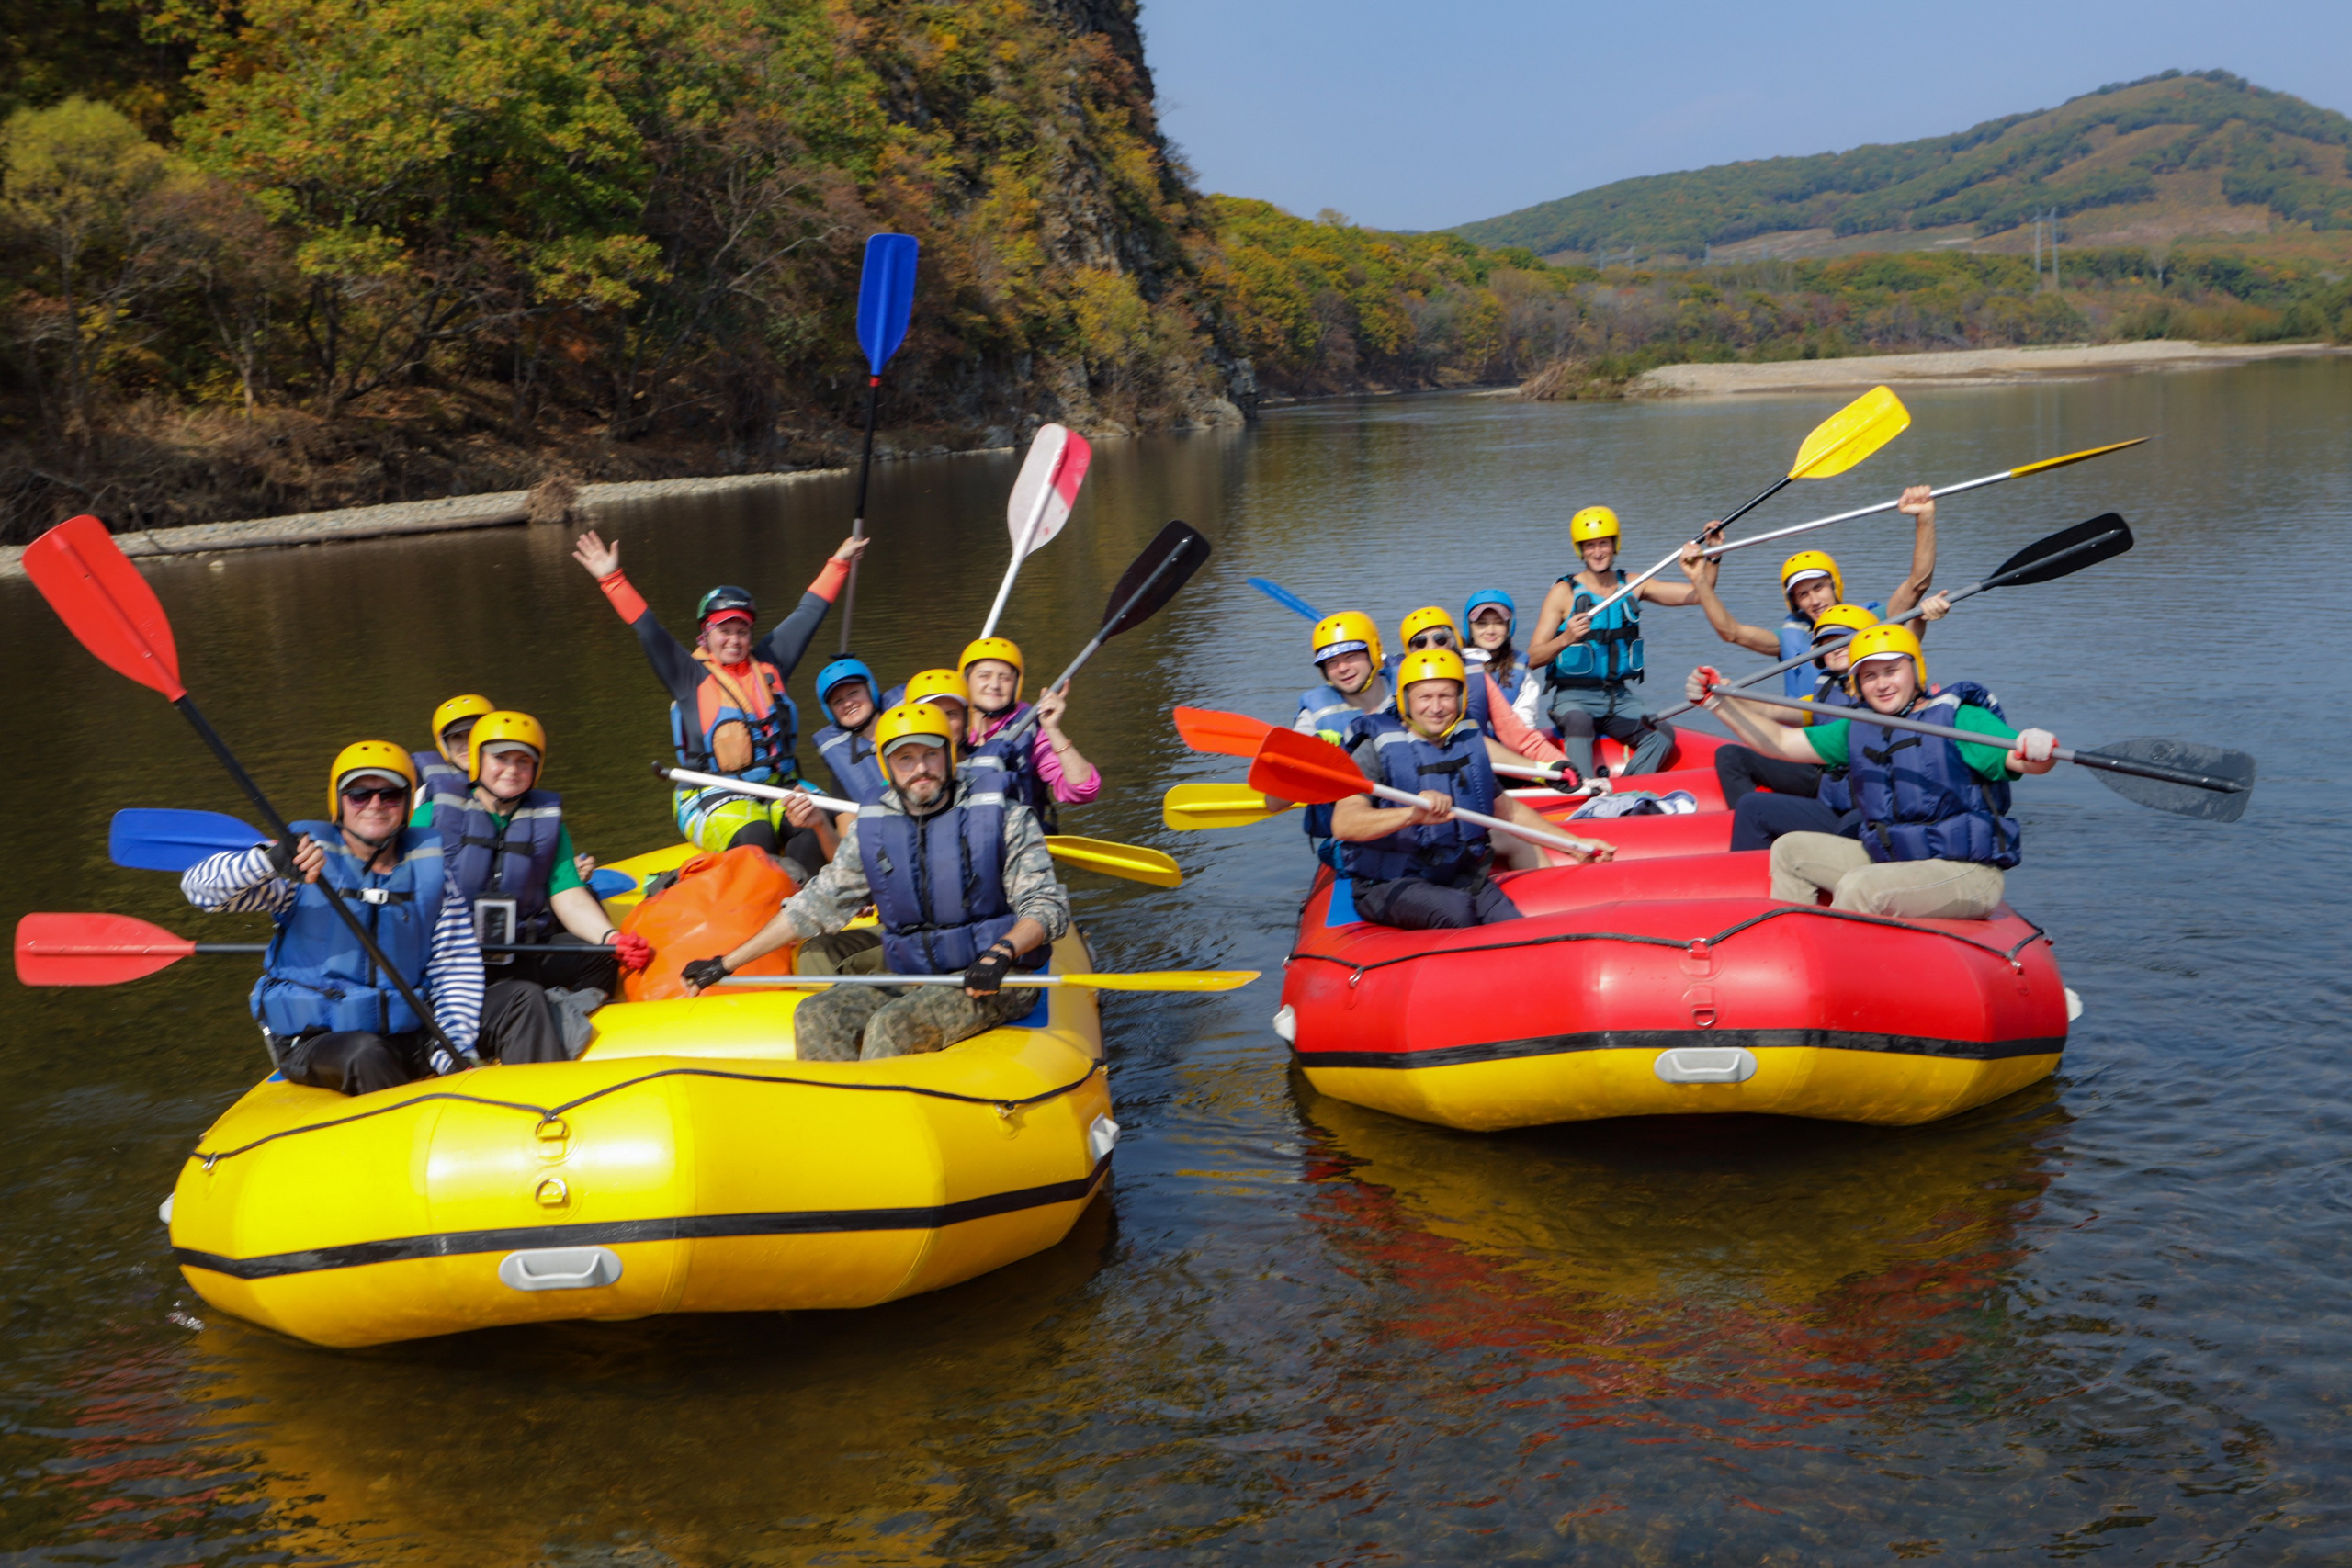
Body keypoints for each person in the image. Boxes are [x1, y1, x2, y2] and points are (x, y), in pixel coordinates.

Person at [675, 702, 1072, 1061]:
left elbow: (1046, 906)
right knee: (816, 1014)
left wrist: (1002, 951)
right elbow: (814, 905)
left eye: (930, 755)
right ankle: (837, 1124)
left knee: (891, 1027)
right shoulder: (876, 828)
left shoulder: (1005, 816)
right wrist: (724, 964)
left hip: (997, 976)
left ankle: (884, 1127)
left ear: (949, 757)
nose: (920, 769)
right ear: (886, 767)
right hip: (914, 976)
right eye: (906, 759)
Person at [179, 742, 571, 1096]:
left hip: (412, 1023)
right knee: (364, 1052)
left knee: (520, 996)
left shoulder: (430, 872)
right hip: (324, 1037)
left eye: (391, 794)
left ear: (406, 803)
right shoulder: (300, 864)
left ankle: (545, 1110)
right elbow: (200, 890)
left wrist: (453, 1046)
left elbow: (454, 965)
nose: (375, 804)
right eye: (360, 794)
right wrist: (266, 862)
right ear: (339, 801)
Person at [1686, 624, 2058, 919]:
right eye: (1869, 676)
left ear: (1915, 670)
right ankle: (1790, 956)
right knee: (1789, 850)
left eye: (1891, 671)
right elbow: (1779, 743)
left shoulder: (1959, 719)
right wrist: (1717, 703)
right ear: (1857, 684)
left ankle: (1840, 989)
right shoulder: (1858, 727)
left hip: (1967, 874)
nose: (1881, 684)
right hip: (1896, 860)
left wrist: (2037, 747)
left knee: (1861, 886)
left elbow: (2024, 760)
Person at [571, 526, 862, 876]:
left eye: (742, 631)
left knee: (812, 827)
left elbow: (808, 613)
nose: (735, 640)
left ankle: (807, 902)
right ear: (705, 636)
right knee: (756, 838)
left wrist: (839, 563)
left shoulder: (770, 663)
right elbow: (649, 630)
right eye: (724, 631)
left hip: (776, 787)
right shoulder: (688, 675)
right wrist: (611, 579)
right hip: (710, 794)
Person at [1332, 649, 1610, 931]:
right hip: (1388, 882)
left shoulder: (1466, 745)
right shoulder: (1373, 750)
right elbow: (1344, 824)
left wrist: (1575, 846)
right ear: (1405, 701)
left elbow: (1510, 812)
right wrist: (1411, 815)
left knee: (1514, 926)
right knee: (1456, 912)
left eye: (1446, 696)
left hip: (1457, 875)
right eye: (1425, 697)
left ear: (1461, 699)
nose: (1437, 707)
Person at [415, 709, 651, 994]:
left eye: (523, 761)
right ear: (478, 761)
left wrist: (611, 938)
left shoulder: (547, 824)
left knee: (598, 956)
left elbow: (569, 897)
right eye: (500, 758)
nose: (512, 770)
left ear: (536, 769)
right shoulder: (432, 816)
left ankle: (575, 1021)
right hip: (451, 960)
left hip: (521, 951)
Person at [1526, 505, 1711, 779]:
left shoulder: (1633, 584)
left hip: (1619, 697)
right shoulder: (1563, 592)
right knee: (1579, 723)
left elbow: (1699, 595)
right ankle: (1584, 797)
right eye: (1590, 546)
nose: (1598, 552)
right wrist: (1566, 638)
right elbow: (1532, 657)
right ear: (1580, 549)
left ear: (1615, 545)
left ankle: (1622, 793)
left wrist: (1711, 559)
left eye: (1604, 543)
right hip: (1573, 697)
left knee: (1661, 733)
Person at [1395, 605, 1579, 784]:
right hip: (1422, 777)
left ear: (1454, 641)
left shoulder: (1477, 677)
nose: (1431, 647)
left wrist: (1564, 769)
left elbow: (1519, 736)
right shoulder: (1394, 686)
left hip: (1476, 772)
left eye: (1440, 639)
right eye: (1420, 642)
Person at [959, 637, 1100, 833]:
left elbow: (1084, 790)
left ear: (1016, 685)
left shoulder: (1029, 732)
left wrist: (1053, 729)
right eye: (984, 676)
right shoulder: (951, 724)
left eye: (1005, 678)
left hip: (1015, 843)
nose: (994, 685)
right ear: (966, 681)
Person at [810, 658, 890, 807]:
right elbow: (845, 822)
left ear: (870, 690)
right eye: (838, 701)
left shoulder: (913, 727)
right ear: (830, 711)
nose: (847, 703)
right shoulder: (842, 762)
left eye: (853, 693)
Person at [412, 694, 493, 803]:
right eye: (457, 737)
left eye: (473, 734)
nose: (466, 745)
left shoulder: (517, 778)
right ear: (445, 746)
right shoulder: (422, 792)